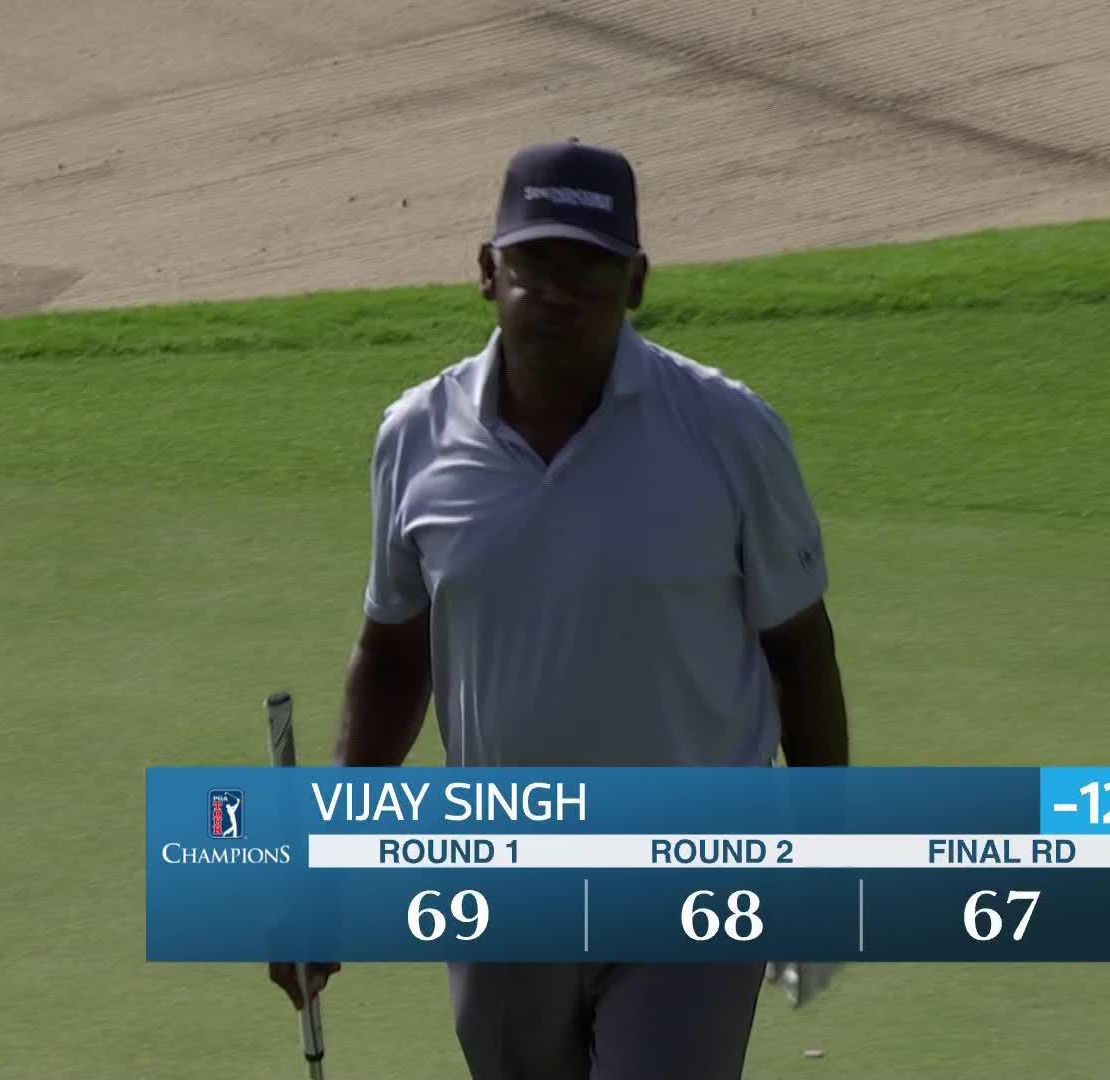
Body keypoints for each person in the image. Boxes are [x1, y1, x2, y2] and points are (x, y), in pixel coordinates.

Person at [270, 139, 850, 1080]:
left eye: (589, 265)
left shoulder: (728, 431)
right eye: (535, 261)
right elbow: (394, 656)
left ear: (637, 283)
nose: (557, 289)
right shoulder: (417, 436)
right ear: (486, 272)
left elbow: (798, 647)